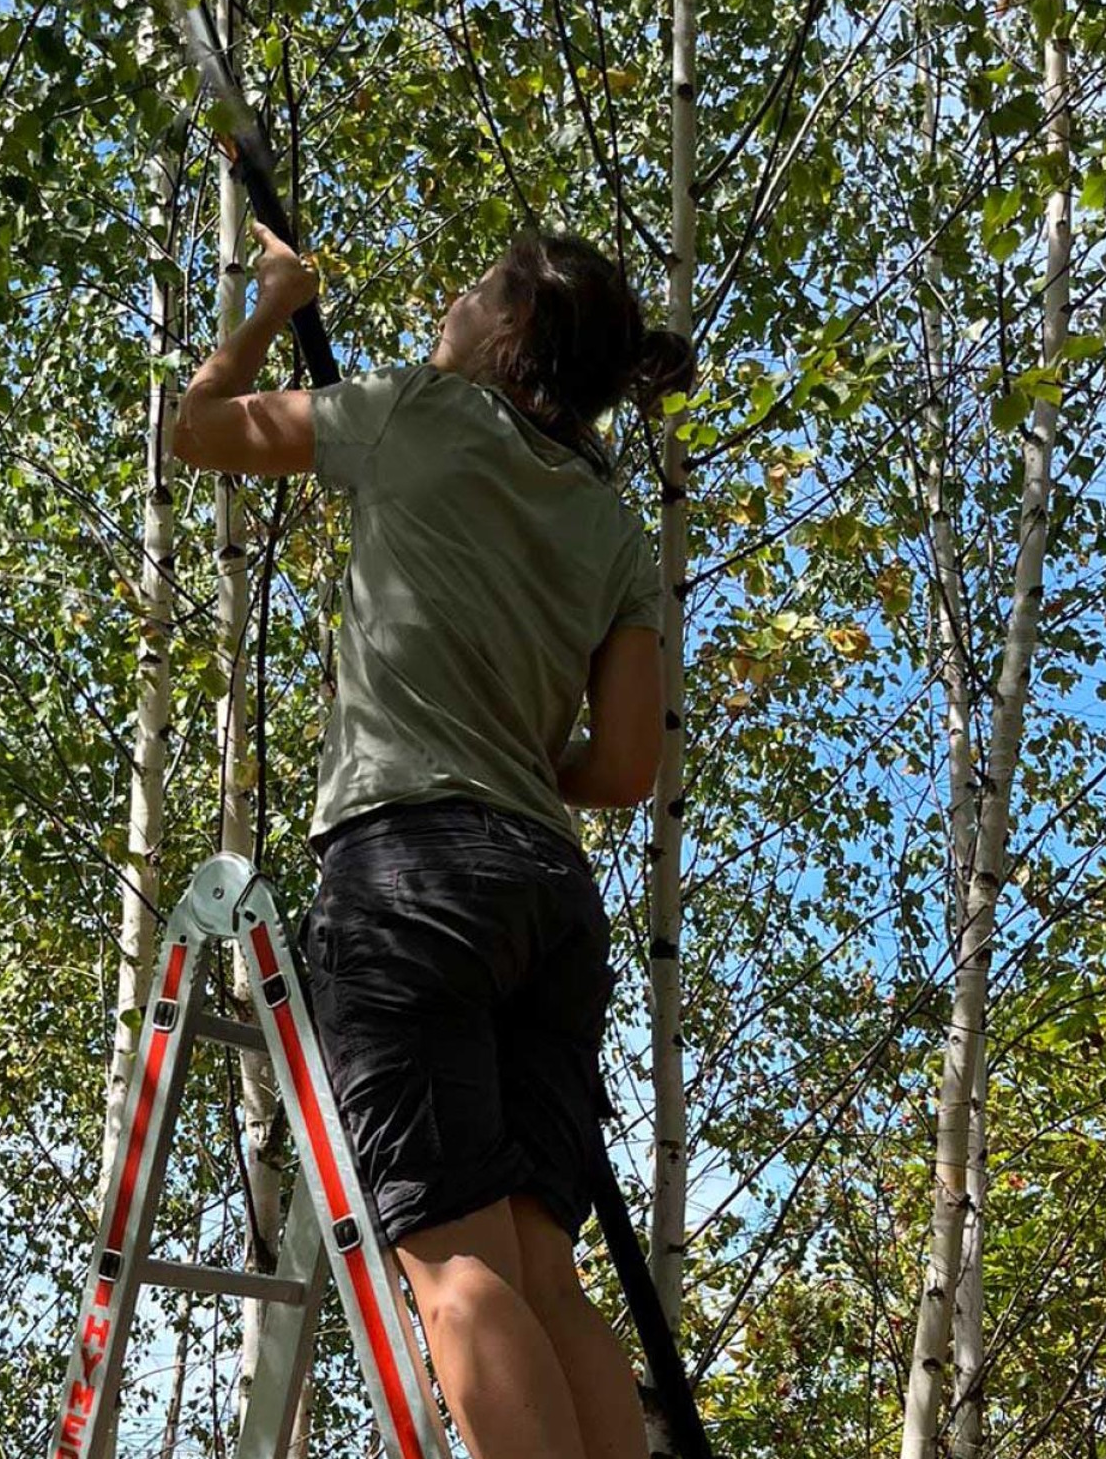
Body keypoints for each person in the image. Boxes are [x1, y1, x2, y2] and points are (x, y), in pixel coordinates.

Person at [172, 221, 692, 1459]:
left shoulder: (412, 414)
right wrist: (519, 759)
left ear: (504, 339)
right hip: (546, 902)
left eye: (466, 291)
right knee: (545, 1280)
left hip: (408, 873)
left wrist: (272, 303)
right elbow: (623, 769)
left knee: (454, 1274)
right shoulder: (616, 529)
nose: (443, 308)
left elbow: (199, 430)